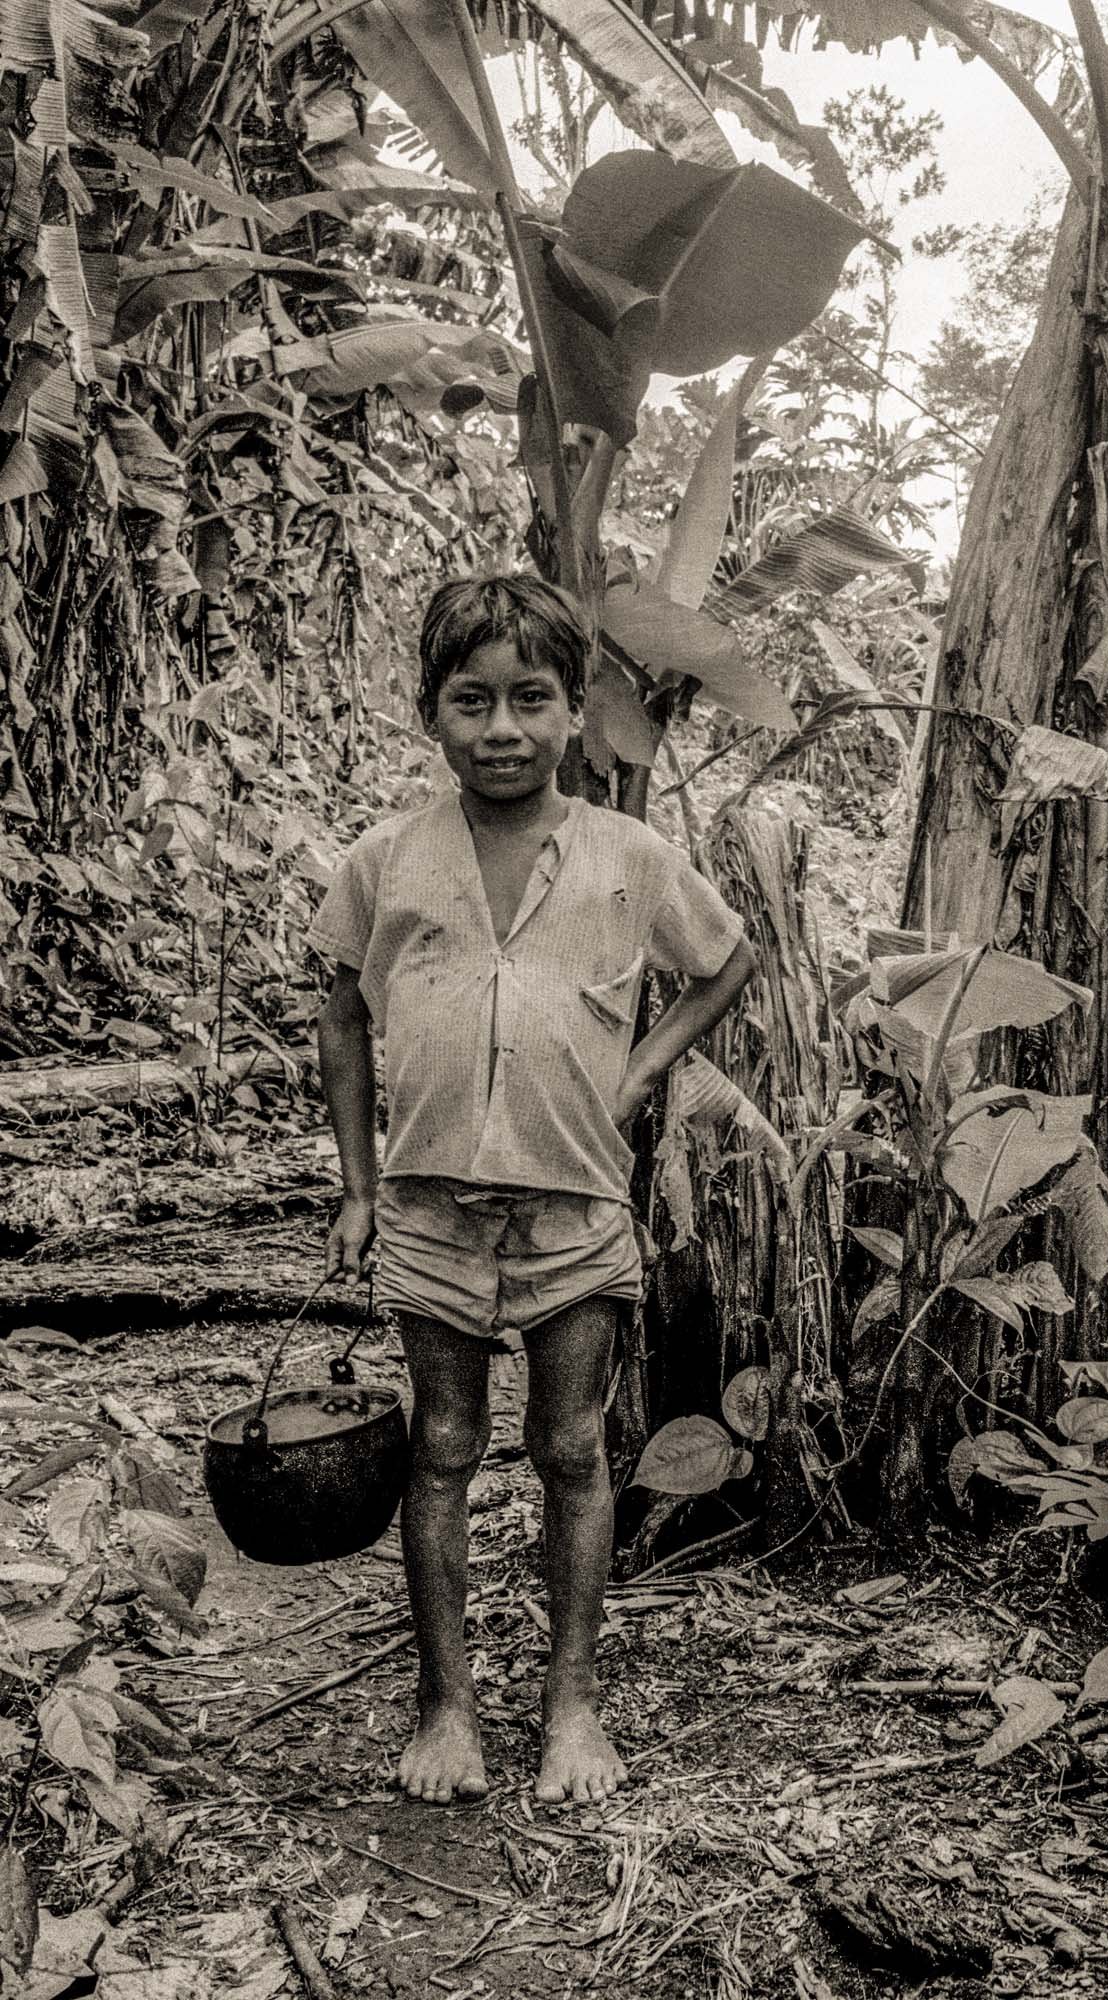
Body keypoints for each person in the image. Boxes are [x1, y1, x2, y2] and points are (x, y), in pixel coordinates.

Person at [309, 574, 755, 1808]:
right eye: (471, 701)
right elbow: (340, 1007)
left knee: (569, 1447)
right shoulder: (386, 857)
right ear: (428, 713)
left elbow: (725, 961)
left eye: (530, 699)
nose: (500, 727)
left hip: (574, 1204)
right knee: (441, 1444)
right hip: (429, 1206)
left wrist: (643, 1070)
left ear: (574, 713)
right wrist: (356, 1184)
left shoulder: (632, 856)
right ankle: (446, 1703)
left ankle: (570, 1701)